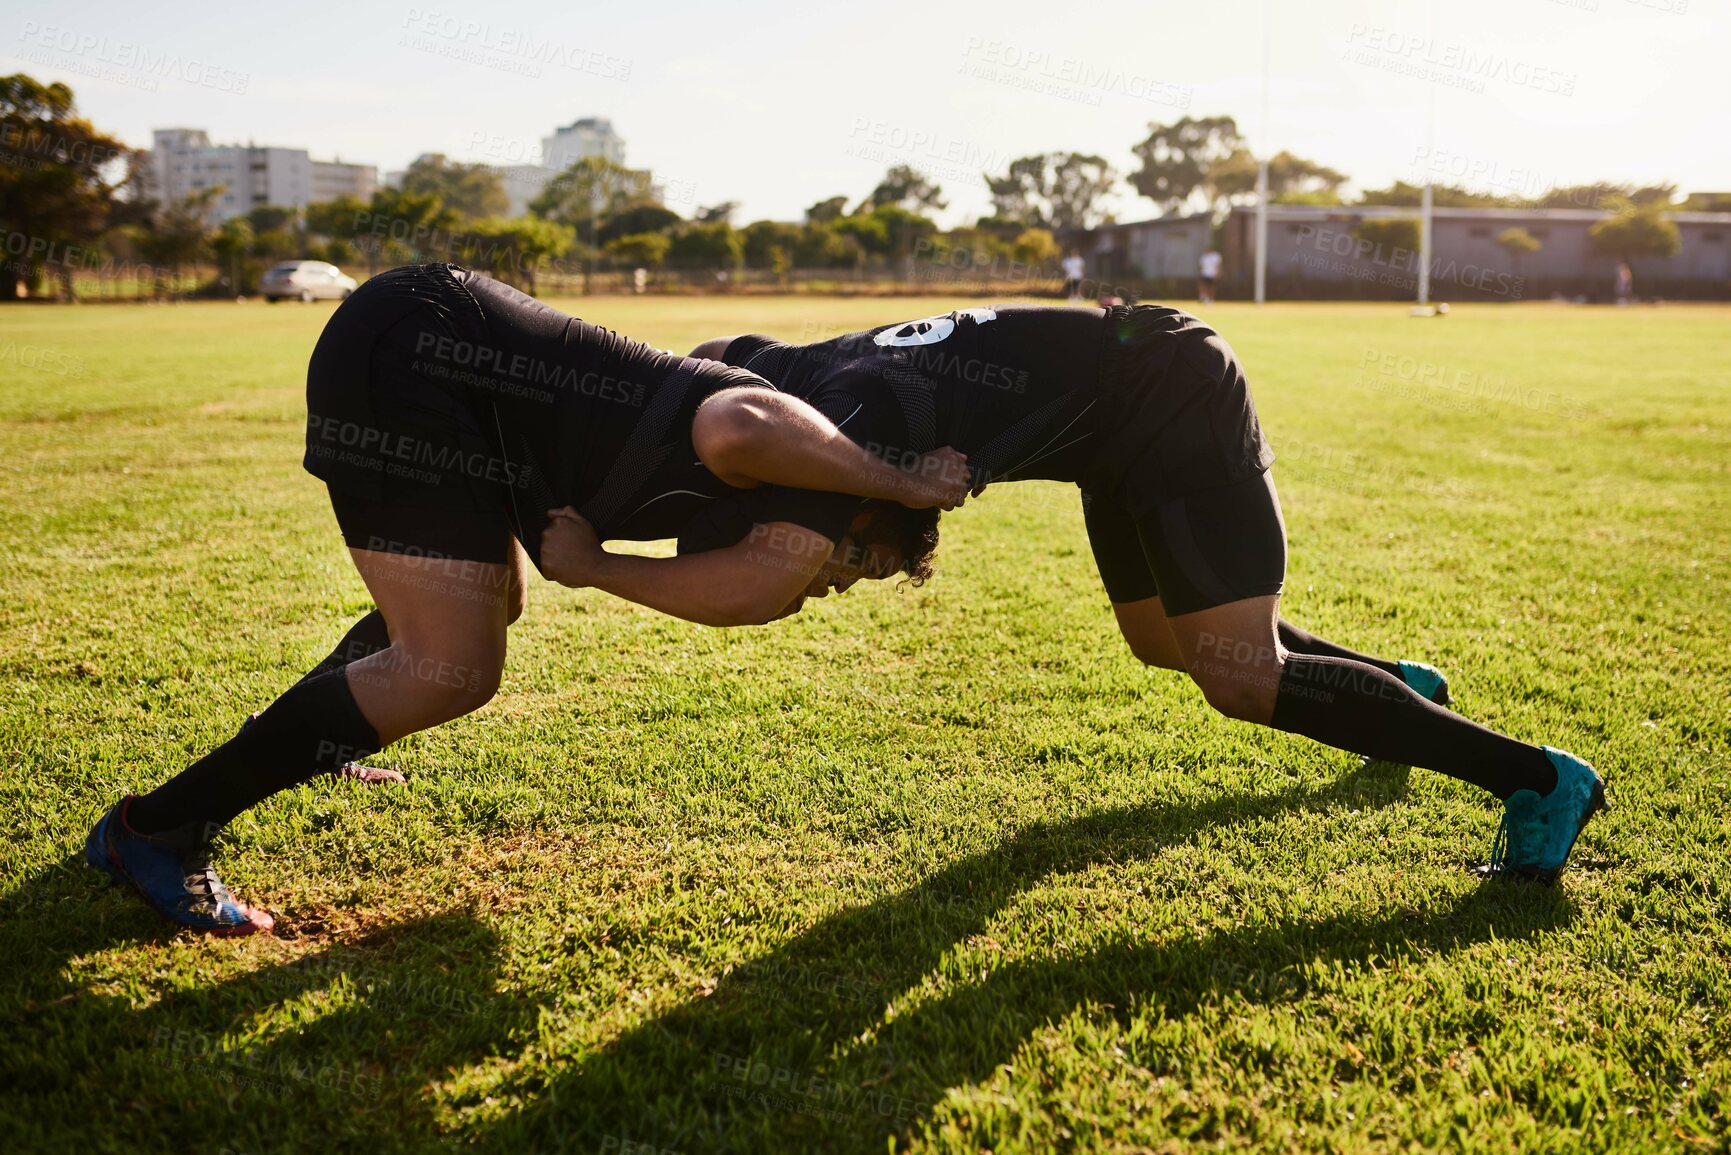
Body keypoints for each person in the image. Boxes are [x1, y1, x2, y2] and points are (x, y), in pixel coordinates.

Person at [85, 263, 969, 935]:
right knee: (457, 667)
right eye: (859, 554)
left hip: (447, 380)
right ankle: (154, 828)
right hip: (416, 350)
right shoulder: (784, 451)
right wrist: (898, 477)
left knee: (480, 609)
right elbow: (739, 414)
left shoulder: (764, 503)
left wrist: (601, 559)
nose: (839, 578)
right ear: (848, 503)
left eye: (859, 580)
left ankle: (325, 730)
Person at [673, 304, 1607, 883]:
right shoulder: (791, 381)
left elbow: (755, 499)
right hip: (1114, 431)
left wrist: (596, 561)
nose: (847, 578)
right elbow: (707, 356)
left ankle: (1537, 779)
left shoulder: (850, 424)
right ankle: (1399, 687)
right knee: (1164, 637)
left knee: (1237, 677)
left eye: (846, 565)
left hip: (1166, 388)